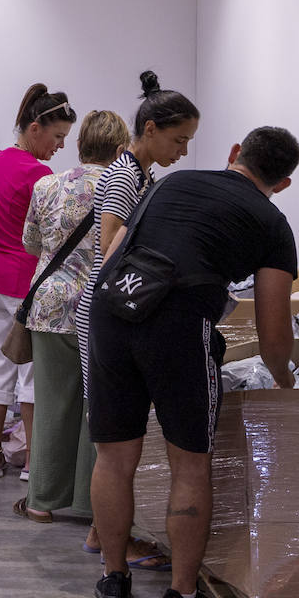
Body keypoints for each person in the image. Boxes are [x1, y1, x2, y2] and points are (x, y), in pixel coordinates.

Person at [88, 126, 299, 598]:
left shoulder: (171, 182)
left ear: (234, 155)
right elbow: (274, 333)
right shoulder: (273, 223)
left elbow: (115, 246)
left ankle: (114, 579)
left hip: (114, 307)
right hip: (180, 323)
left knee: (114, 455)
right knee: (190, 463)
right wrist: (283, 379)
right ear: (284, 183)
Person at [73, 70, 200, 566]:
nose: (182, 152)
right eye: (178, 140)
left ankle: (104, 536)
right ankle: (105, 538)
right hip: (111, 309)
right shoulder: (126, 176)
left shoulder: (142, 175)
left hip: (119, 307)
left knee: (113, 435)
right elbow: (111, 252)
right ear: (150, 131)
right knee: (110, 434)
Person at [14, 110, 128, 523]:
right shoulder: (127, 189)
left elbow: (31, 243)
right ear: (121, 149)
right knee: (94, 406)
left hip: (48, 305)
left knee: (50, 405)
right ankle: (86, 502)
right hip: (98, 309)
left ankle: (42, 500)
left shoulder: (47, 184)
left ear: (79, 144)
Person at [0, 84, 76, 480]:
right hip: (26, 282)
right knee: (32, 374)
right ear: (36, 128)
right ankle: (34, 460)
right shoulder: (41, 175)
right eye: (57, 137)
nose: (59, 146)